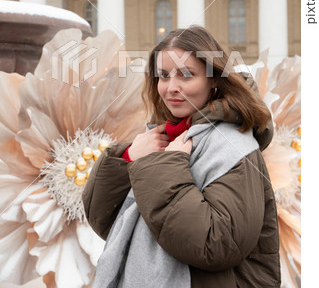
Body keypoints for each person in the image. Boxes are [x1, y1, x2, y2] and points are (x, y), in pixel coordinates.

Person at [82, 25, 281, 288]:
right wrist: (129, 157)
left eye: (186, 75)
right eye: (163, 76)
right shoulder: (160, 139)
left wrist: (164, 170)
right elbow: (105, 220)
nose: (171, 87)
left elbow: (217, 245)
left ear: (213, 82)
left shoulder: (233, 147)